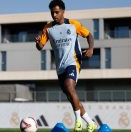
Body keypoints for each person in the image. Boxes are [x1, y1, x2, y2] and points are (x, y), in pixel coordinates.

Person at [35, 0, 97, 132]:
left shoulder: (73, 24)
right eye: (52, 12)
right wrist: (37, 42)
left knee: (70, 87)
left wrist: (91, 48)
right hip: (60, 66)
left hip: (73, 61)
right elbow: (40, 47)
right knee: (71, 95)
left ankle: (78, 122)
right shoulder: (48, 28)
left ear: (63, 11)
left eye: (57, 12)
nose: (54, 15)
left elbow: (89, 35)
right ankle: (91, 123)